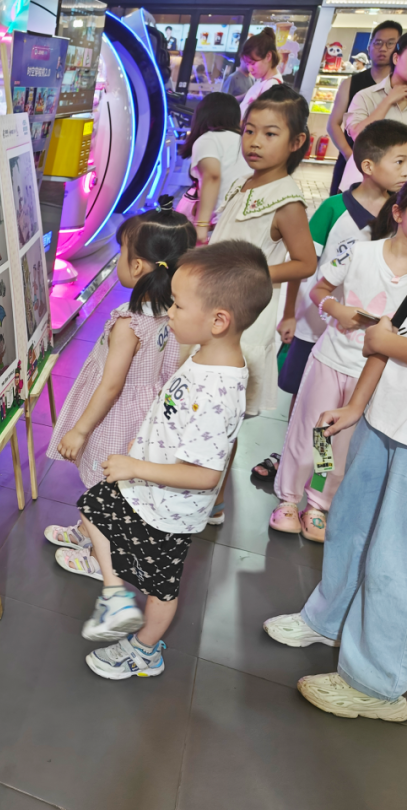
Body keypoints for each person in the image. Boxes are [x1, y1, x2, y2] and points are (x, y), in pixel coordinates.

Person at [74, 241, 269, 679]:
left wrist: (135, 466)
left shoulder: (218, 391)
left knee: (160, 588)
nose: (170, 313)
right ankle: (115, 595)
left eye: (178, 305)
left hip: (171, 509)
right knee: (92, 509)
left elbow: (206, 475)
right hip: (147, 486)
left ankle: (145, 649)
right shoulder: (205, 354)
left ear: (218, 320)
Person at [263, 281, 407, 721]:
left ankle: (377, 681)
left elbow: (384, 339)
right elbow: (389, 333)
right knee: (349, 524)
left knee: (393, 558)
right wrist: (357, 405)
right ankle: (331, 619)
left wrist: (385, 342)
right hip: (381, 416)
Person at [257, 120, 407, 505]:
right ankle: (290, 477)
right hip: (318, 329)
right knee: (306, 410)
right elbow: (305, 266)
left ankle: (316, 492)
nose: (406, 170)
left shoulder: (393, 220)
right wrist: (291, 313)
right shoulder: (333, 209)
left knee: (333, 428)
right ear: (369, 165)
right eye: (400, 161)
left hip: (366, 352)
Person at [45, 197, 194, 571]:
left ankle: (101, 561)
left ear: (138, 265)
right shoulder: (170, 312)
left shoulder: (130, 322)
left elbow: (111, 386)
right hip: (142, 412)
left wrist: (80, 431)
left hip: (115, 415)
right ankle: (86, 530)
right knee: (112, 487)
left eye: (122, 252)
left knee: (104, 487)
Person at [207, 85, 316, 522]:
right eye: (249, 130)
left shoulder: (287, 201)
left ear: (296, 141)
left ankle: (212, 500)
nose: (254, 142)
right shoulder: (244, 182)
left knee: (223, 417)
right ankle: (200, 490)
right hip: (215, 308)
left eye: (270, 134)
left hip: (245, 320)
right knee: (205, 407)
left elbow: (305, 261)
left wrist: (251, 274)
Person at [329, 21, 402, 195]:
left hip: (391, 174)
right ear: (369, 47)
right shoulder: (351, 84)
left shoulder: (400, 89)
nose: (383, 48)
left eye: (390, 43)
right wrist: (350, 156)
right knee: (340, 206)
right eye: (378, 43)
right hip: (351, 163)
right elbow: (333, 124)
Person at [177, 92, 248, 244]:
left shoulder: (208, 139)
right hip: (246, 220)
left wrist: (201, 226)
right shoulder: (245, 141)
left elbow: (212, 176)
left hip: (222, 226)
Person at [239, 28, 285, 120]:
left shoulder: (272, 86)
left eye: (253, 63)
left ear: (268, 56)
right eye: (247, 64)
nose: (250, 68)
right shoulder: (263, 81)